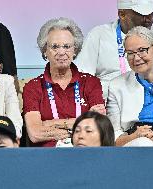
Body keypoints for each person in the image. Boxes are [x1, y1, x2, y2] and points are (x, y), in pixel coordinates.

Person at [76, 0, 153, 99]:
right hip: (110, 104)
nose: (148, 19)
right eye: (142, 14)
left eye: (151, 13)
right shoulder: (98, 35)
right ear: (122, 14)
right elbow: (82, 77)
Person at [23, 17, 105, 147]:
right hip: (48, 156)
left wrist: (50, 123)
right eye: (55, 47)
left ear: (75, 50)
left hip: (85, 153)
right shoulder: (32, 87)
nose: (61, 52)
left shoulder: (91, 82)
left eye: (67, 46)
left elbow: (98, 126)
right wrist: (79, 127)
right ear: (45, 51)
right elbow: (35, 133)